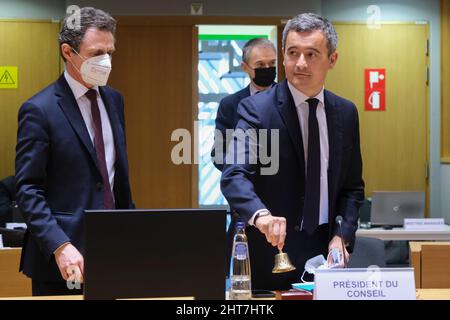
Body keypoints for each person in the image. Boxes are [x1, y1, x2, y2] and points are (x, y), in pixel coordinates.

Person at [221, 13, 365, 290]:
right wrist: (261, 216)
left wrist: (342, 235)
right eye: (293, 53)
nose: (300, 63)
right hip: (271, 250)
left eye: (312, 54)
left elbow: (352, 188)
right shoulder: (257, 110)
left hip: (326, 254)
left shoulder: (346, 113)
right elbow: (234, 175)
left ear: (332, 60)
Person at [15, 7, 134, 296]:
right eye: (96, 54)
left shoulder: (114, 100)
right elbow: (28, 189)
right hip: (64, 257)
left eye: (110, 52)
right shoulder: (39, 110)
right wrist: (60, 244)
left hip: (113, 251)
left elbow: (114, 176)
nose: (105, 61)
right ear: (68, 52)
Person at [211, 38, 277, 170]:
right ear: (245, 67)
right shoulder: (229, 105)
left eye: (272, 63)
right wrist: (238, 173)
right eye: (260, 65)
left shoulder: (290, 99)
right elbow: (219, 153)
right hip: (241, 183)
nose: (267, 68)